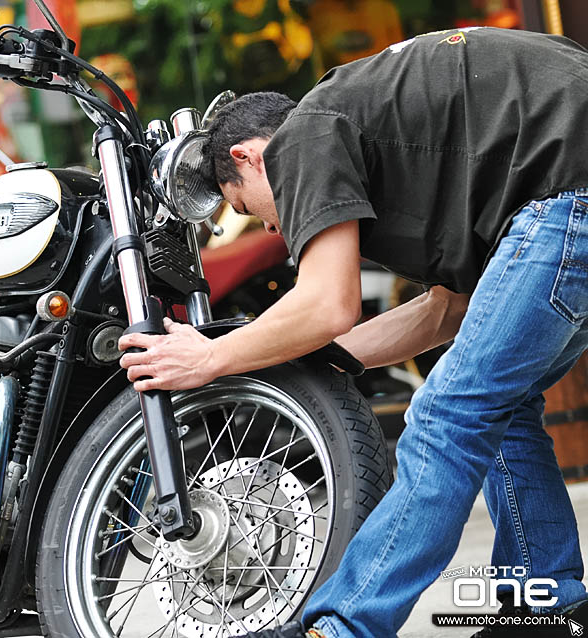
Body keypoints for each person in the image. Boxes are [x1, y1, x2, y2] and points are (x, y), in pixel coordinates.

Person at [118, 27, 588, 638]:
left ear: (247, 157)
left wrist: (211, 356)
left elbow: (327, 305)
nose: (275, 230)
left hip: (570, 197)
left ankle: (344, 626)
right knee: (501, 403)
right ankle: (547, 610)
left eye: (247, 208)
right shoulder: (398, 143)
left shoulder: (305, 134)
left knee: (446, 416)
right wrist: (315, 364)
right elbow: (447, 312)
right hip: (563, 193)